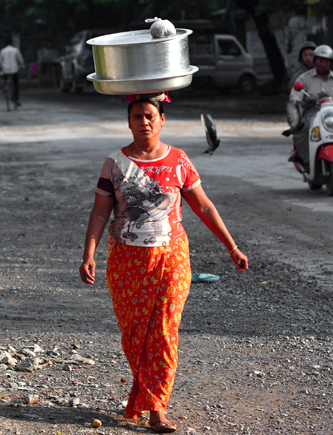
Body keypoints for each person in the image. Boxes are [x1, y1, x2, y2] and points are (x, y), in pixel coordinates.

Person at [78, 93, 248, 434]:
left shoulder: (179, 160)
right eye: (137, 116)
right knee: (135, 333)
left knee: (164, 332)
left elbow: (204, 207)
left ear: (162, 119)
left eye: (150, 115)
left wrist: (231, 246)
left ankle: (157, 409)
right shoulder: (114, 163)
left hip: (171, 258)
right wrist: (89, 253)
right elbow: (100, 211)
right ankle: (147, 396)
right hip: (126, 261)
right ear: (128, 122)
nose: (144, 121)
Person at [286, 44, 333, 166]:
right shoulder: (303, 78)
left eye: (327, 61)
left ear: (330, 63)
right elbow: (295, 94)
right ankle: (306, 160)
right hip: (312, 111)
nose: (323, 64)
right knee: (304, 129)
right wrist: (299, 101)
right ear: (315, 60)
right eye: (321, 60)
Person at [0, 39, 25, 107]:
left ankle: (5, 85)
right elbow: (20, 59)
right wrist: (23, 65)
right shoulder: (15, 50)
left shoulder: (2, 51)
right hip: (14, 69)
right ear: (12, 43)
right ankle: (16, 99)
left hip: (5, 70)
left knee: (5, 78)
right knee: (16, 84)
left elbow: (0, 61)